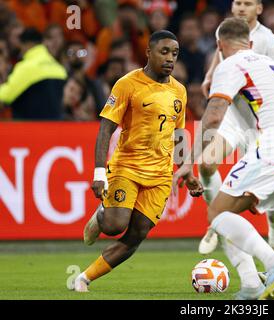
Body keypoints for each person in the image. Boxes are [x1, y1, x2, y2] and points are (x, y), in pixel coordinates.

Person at [175, 17, 274, 300]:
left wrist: (188, 162)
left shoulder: (229, 65)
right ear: (249, 44)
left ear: (219, 46)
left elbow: (213, 117)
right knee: (227, 214)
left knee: (217, 214)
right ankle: (251, 284)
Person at [72, 30, 203, 293]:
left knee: (136, 235)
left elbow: (178, 135)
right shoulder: (127, 84)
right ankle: (101, 215)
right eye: (164, 52)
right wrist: (99, 173)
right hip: (127, 167)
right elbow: (105, 128)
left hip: (160, 175)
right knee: (114, 225)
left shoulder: (179, 90)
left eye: (174, 54)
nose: (169, 59)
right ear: (148, 52)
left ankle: (83, 278)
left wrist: (187, 173)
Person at [197, 0, 274, 257]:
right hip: (233, 117)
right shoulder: (225, 30)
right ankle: (217, 224)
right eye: (238, 2)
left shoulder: (269, 41)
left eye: (248, 4)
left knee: (266, 190)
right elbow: (220, 56)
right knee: (206, 165)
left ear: (259, 9)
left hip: (259, 123)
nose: (241, 8)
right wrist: (210, 76)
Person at [0, 28, 67, 119]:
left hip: (30, 128)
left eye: (21, 46)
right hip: (56, 127)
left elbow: (5, 96)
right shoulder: (59, 68)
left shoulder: (27, 67)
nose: (21, 51)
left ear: (28, 44)